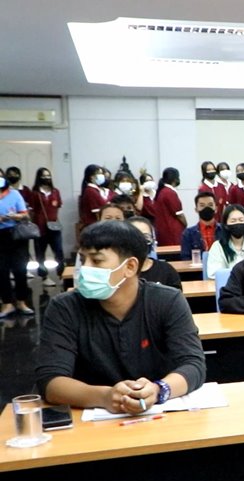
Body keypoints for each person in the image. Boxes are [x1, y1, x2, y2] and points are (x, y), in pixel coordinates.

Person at [34, 220, 205, 412]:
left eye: (96, 261)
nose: (85, 268)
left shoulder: (167, 301)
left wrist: (158, 390)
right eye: (82, 260)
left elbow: (193, 364)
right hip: (90, 420)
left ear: (130, 267)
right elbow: (50, 381)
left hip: (159, 415)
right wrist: (105, 397)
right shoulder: (65, 307)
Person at [0, 172, 34, 317]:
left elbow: (25, 215)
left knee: (20, 270)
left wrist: (14, 216)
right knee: (2, 271)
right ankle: (7, 303)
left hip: (16, 235)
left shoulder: (14, 194)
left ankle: (21, 301)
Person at [127, 216, 182, 291]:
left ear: (152, 240)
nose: (140, 241)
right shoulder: (118, 272)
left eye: (146, 237)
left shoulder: (166, 270)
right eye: (135, 236)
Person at [32, 167, 65, 280]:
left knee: (59, 251)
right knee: (40, 253)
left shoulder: (55, 192)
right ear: (39, 177)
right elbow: (32, 211)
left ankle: (62, 274)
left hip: (54, 226)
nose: (47, 177)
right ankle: (44, 277)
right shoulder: (35, 193)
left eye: (48, 175)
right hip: (40, 227)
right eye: (44, 175)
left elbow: (57, 207)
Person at [205, 204, 244, 276]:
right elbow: (214, 273)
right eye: (233, 221)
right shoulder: (218, 246)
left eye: (241, 220)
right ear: (226, 225)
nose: (237, 223)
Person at [152, 167, 187, 247]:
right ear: (175, 179)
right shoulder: (169, 193)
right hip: (172, 233)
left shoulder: (161, 191)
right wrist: (185, 224)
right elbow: (179, 214)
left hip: (163, 232)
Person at [180, 191, 219, 259]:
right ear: (196, 209)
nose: (206, 208)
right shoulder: (188, 234)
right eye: (202, 205)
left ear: (216, 208)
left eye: (210, 205)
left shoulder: (225, 230)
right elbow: (185, 258)